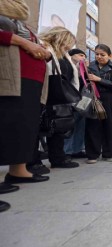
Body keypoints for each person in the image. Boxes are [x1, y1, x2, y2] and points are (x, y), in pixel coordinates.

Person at [0, 2, 50, 211]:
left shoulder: (21, 23)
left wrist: (43, 51)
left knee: (24, 125)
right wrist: (25, 43)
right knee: (8, 123)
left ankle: (18, 169)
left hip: (30, 79)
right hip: (12, 76)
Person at [38, 26, 80, 169]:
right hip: (48, 94)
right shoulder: (45, 49)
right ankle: (35, 160)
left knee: (59, 127)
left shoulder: (64, 55)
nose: (69, 47)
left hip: (61, 96)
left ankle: (58, 158)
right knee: (44, 126)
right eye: (68, 43)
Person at [85, 44, 112, 163]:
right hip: (93, 98)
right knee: (92, 126)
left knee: (111, 126)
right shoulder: (89, 67)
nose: (99, 56)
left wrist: (99, 80)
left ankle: (109, 153)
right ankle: (92, 154)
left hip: (109, 98)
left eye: (102, 54)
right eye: (97, 54)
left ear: (109, 56)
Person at [64, 48, 88, 159]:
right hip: (69, 99)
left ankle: (77, 149)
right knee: (69, 125)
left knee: (80, 125)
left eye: (84, 56)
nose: (83, 58)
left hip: (82, 100)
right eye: (80, 55)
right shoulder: (66, 65)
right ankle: (67, 151)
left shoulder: (83, 69)